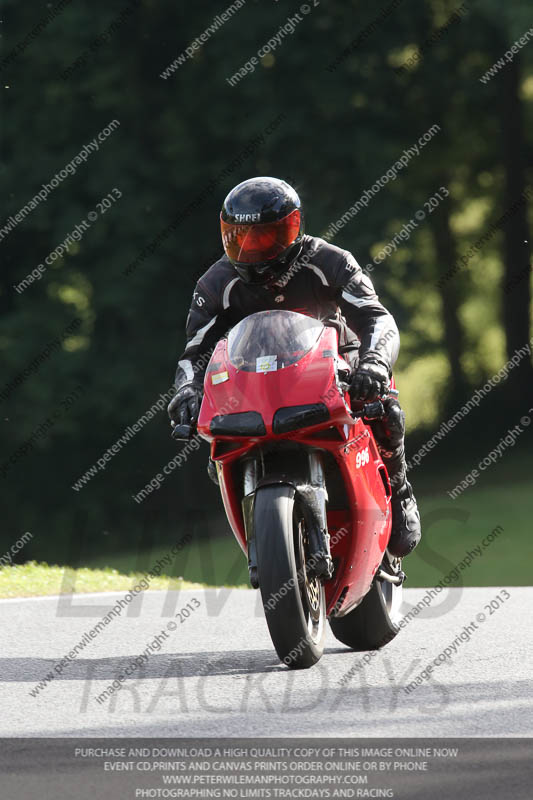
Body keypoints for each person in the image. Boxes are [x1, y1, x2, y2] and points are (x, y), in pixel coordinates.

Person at [168, 176, 421, 560]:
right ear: (225, 237)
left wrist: (372, 363)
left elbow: (377, 317)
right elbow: (193, 353)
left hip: (334, 367)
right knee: (217, 442)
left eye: (266, 236)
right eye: (241, 238)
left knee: (387, 409)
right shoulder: (215, 282)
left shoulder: (329, 261)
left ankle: (400, 489)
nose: (253, 248)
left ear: (294, 226)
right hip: (251, 384)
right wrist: (186, 391)